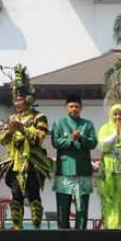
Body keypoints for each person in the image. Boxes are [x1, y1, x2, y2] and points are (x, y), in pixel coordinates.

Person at [0, 65, 53, 230]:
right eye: (15, 100)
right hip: (14, 161)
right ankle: (17, 226)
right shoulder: (12, 118)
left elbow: (39, 138)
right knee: (16, 195)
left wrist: (22, 128)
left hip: (32, 162)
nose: (17, 103)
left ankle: (36, 226)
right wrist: (10, 131)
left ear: (28, 100)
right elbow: (2, 140)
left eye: (20, 99)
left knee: (34, 195)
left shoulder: (39, 117)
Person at [51, 94, 97, 230]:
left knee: (81, 209)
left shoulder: (87, 124)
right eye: (71, 106)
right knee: (62, 209)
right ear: (66, 107)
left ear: (81, 108)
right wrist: (71, 139)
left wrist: (81, 137)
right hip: (64, 171)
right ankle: (63, 236)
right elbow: (55, 142)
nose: (74, 109)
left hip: (82, 172)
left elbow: (93, 143)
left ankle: (80, 237)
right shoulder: (59, 123)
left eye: (77, 106)